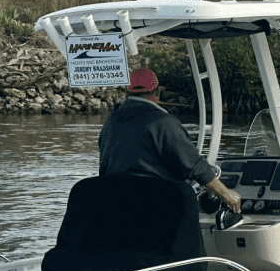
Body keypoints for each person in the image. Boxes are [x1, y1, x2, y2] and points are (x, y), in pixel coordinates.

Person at [99, 68, 242, 213]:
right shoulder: (163, 122)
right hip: (154, 208)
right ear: (157, 93)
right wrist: (226, 193)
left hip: (115, 206)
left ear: (127, 92)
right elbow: (194, 166)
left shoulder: (111, 121)